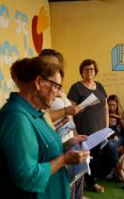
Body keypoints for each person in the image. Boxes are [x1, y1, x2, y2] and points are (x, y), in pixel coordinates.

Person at [0, 57, 89, 199]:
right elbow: (26, 176)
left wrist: (67, 145)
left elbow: (40, 151)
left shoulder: (35, 113)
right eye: (56, 86)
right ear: (38, 82)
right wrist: (64, 159)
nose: (58, 93)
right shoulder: (17, 117)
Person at [38, 49, 88, 199]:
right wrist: (67, 110)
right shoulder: (40, 89)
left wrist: (75, 134)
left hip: (70, 139)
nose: (54, 66)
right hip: (57, 145)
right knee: (66, 185)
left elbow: (69, 116)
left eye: (56, 63)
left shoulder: (59, 88)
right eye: (49, 63)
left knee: (77, 178)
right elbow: (42, 117)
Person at [67, 59, 108, 193]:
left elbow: (105, 107)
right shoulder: (76, 87)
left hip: (100, 131)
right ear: (81, 72)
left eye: (91, 69)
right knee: (83, 159)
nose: (89, 71)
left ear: (95, 71)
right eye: (86, 69)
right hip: (83, 131)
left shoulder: (100, 86)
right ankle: (79, 186)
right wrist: (74, 130)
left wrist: (106, 128)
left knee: (96, 159)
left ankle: (92, 183)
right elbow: (70, 110)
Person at [105, 95, 124, 179]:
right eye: (109, 105)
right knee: (108, 144)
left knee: (110, 144)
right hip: (108, 136)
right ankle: (116, 169)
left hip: (120, 137)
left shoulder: (123, 114)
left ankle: (116, 169)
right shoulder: (105, 114)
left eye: (113, 105)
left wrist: (118, 117)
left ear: (117, 105)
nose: (111, 107)